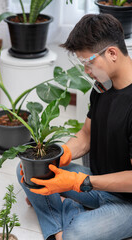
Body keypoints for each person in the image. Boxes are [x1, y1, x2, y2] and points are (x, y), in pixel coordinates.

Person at [16, 13, 132, 240]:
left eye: (88, 63)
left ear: (112, 53)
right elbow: (86, 135)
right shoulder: (103, 87)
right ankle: (61, 228)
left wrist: (82, 182)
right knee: (27, 171)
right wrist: (61, 155)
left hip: (126, 201)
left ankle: (63, 215)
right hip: (97, 184)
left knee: (78, 233)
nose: (86, 71)